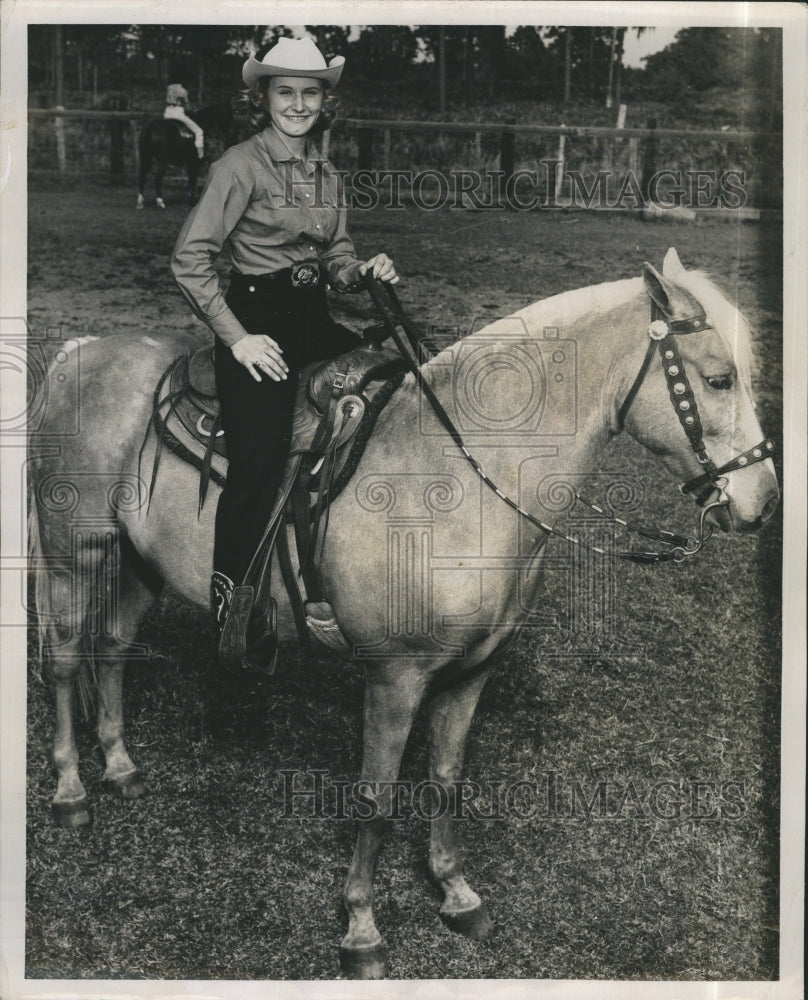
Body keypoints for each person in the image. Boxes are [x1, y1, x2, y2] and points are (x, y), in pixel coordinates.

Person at [170, 37, 399, 669]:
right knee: (260, 461)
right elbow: (190, 260)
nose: (298, 104)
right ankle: (235, 617)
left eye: (310, 93)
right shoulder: (239, 166)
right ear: (263, 98)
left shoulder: (328, 174)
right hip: (255, 324)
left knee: (395, 381)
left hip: (312, 320)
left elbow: (335, 257)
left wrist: (362, 270)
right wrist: (238, 338)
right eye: (285, 92)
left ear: (326, 102)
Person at [164, 82, 204, 159]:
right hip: (178, 113)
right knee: (199, 131)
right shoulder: (183, 91)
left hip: (167, 113)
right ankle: (200, 154)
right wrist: (191, 110)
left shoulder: (169, 87)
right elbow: (188, 107)